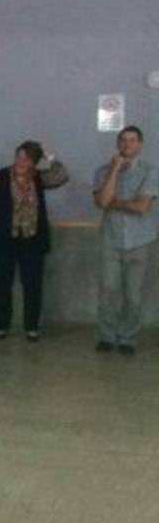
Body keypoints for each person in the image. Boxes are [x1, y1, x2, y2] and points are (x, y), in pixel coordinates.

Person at [0, 140, 69, 341]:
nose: (22, 161)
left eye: (28, 158)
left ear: (34, 161)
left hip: (32, 240)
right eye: (19, 156)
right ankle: (2, 325)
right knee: (2, 283)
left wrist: (50, 158)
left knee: (33, 284)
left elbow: (62, 176)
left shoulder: (39, 178)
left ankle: (31, 327)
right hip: (3, 239)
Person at [93, 126, 156, 355]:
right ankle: (107, 336)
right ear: (117, 144)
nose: (127, 144)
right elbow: (101, 202)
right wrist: (114, 170)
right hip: (110, 241)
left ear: (140, 144)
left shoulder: (150, 171)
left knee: (133, 294)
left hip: (140, 241)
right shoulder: (102, 172)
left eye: (132, 140)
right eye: (123, 140)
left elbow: (141, 207)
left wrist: (114, 203)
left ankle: (128, 338)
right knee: (108, 291)